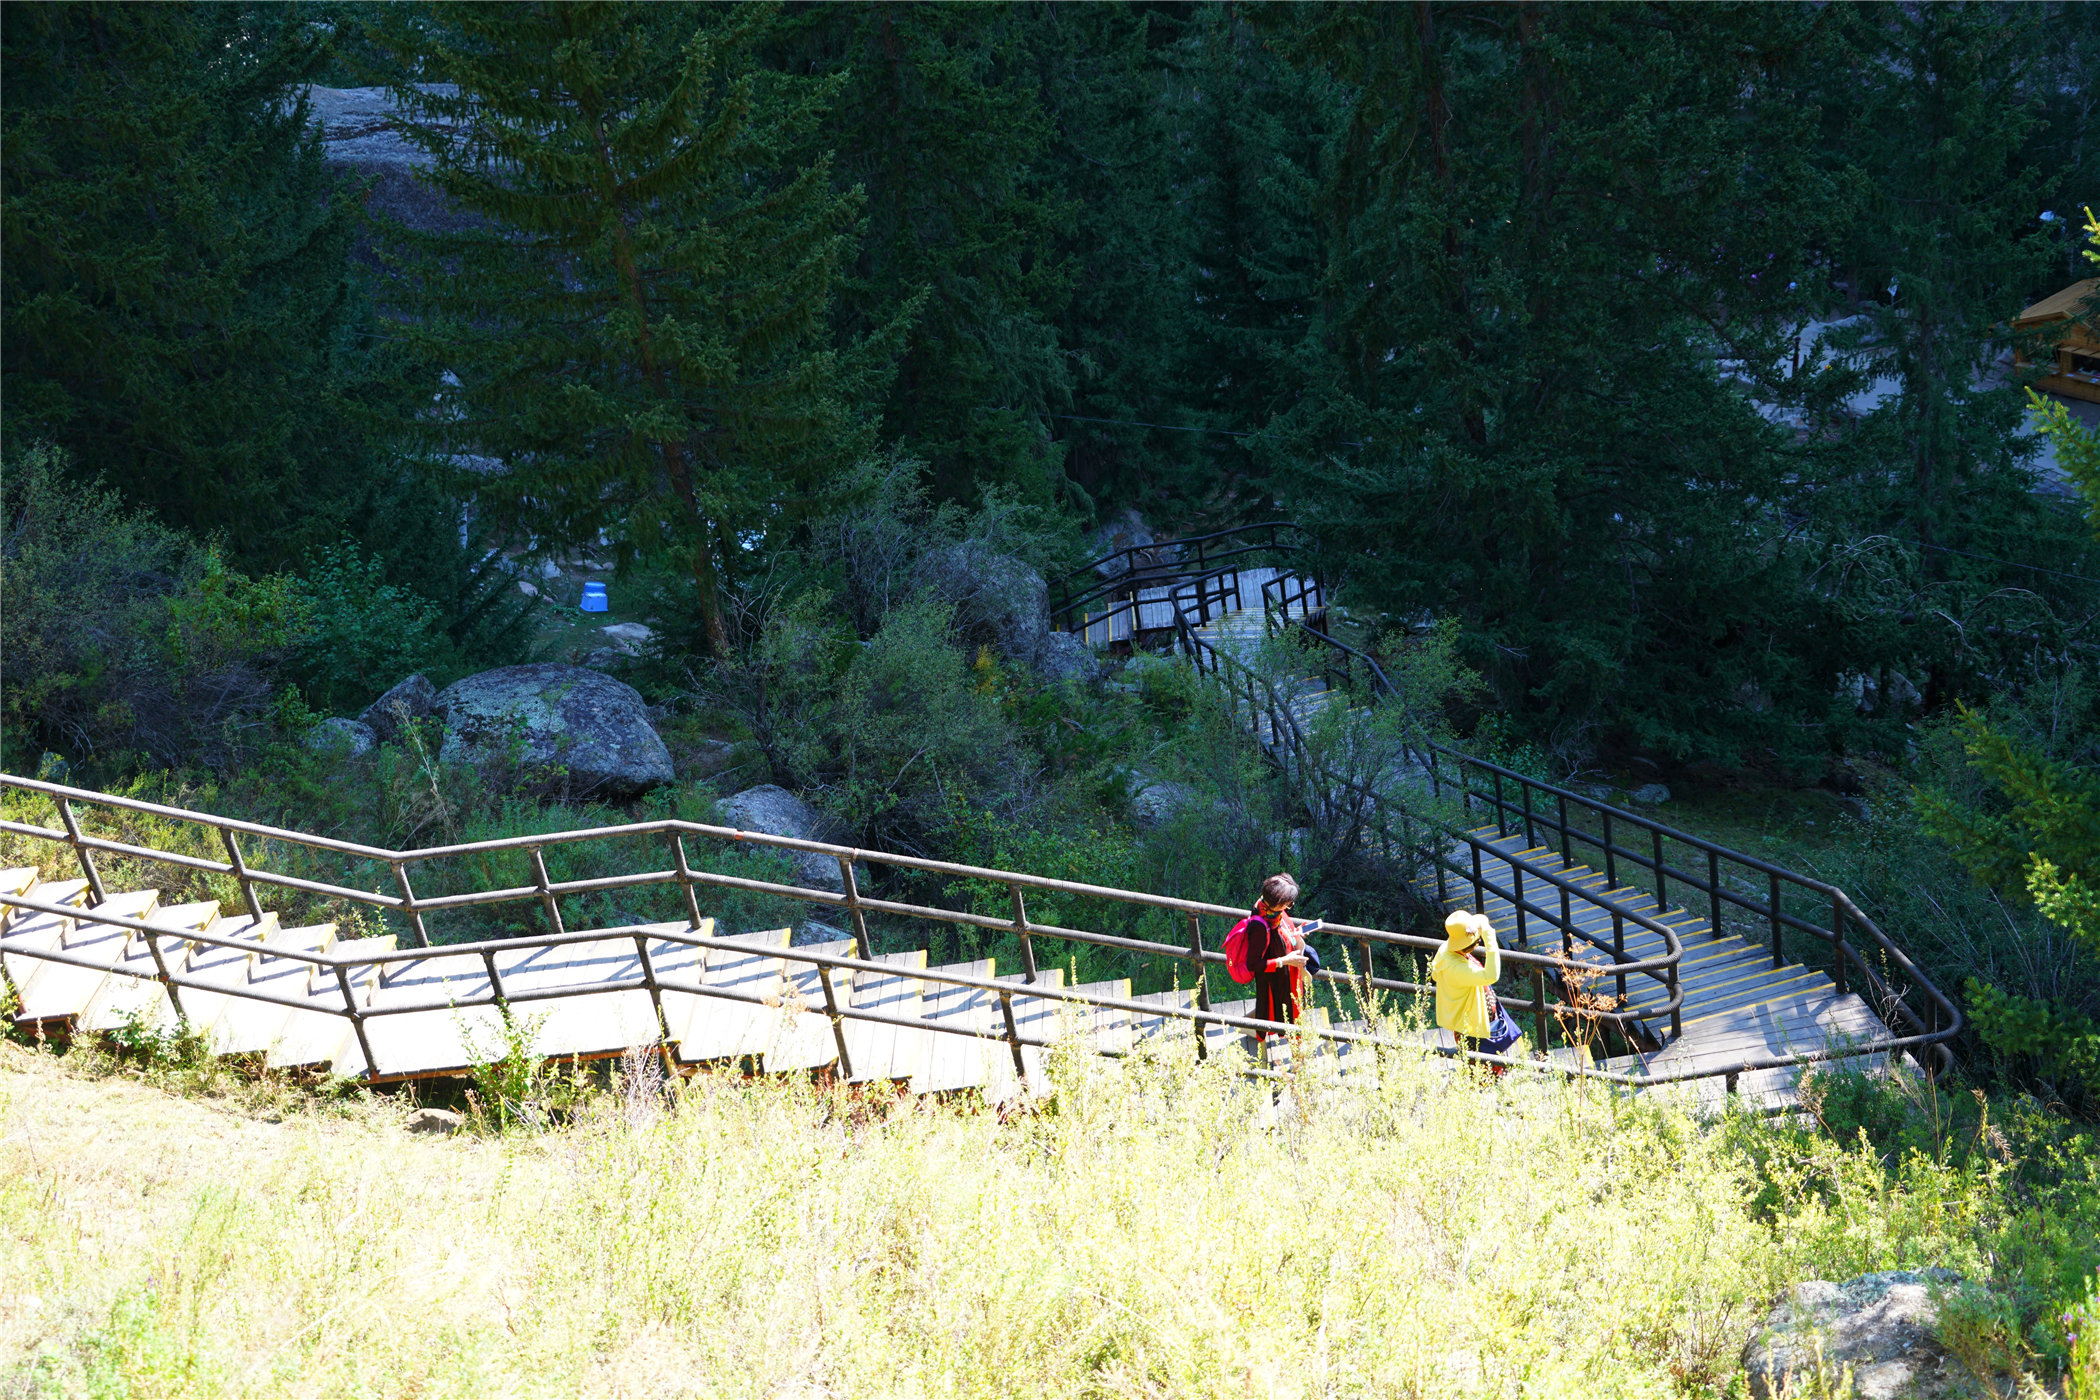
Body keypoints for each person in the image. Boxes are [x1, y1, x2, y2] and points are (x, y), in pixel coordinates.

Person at [1430, 910, 1523, 1068]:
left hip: (1474, 1019)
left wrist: (1479, 924)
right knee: (1482, 1068)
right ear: (1467, 947)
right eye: (1476, 942)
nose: (1478, 944)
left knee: (1488, 1063)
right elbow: (1491, 975)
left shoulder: (1446, 949)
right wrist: (1489, 939)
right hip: (1471, 1026)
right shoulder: (1454, 967)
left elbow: (1481, 918)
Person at [1245, 872, 1309, 1035]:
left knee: (1284, 1014)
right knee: (1277, 1014)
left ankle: (1244, 1025)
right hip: (1274, 980)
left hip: (1286, 974)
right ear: (1276, 902)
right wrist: (1285, 961)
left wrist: (1296, 933)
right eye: (1287, 904)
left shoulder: (1271, 911)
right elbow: (1253, 964)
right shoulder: (1259, 926)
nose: (1288, 907)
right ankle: (1244, 1026)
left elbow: (1282, 933)